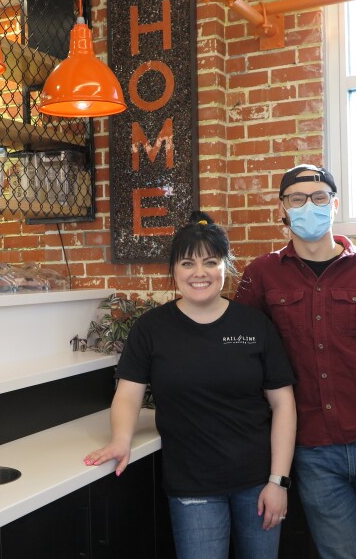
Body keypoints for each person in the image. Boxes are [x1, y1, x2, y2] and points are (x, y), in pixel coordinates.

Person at [234, 165, 356, 559]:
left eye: (320, 197)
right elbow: (240, 350)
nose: (309, 205)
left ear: (335, 203)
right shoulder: (262, 275)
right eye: (298, 198)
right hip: (313, 450)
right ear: (283, 209)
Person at [85, 211, 297, 559]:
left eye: (210, 262)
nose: (199, 273)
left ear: (224, 267)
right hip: (192, 484)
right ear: (174, 270)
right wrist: (121, 439)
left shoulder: (255, 324)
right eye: (187, 263)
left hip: (258, 481)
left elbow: (283, 404)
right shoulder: (151, 329)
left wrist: (279, 481)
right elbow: (128, 393)